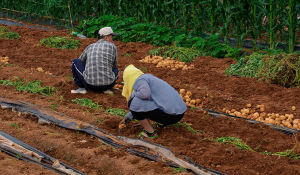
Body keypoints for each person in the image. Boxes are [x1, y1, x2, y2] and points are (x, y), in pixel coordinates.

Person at [120, 64, 187, 139]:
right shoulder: (148, 78)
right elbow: (148, 100)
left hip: (171, 116)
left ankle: (150, 132)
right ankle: (162, 123)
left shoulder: (139, 80)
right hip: (179, 113)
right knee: (142, 101)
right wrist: (129, 115)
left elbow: (144, 95)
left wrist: (133, 94)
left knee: (134, 101)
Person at [71, 27, 119, 94]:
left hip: (90, 85)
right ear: (106, 38)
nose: (112, 39)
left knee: (75, 62)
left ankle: (81, 88)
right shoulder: (113, 46)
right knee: (116, 69)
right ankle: (106, 89)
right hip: (109, 84)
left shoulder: (90, 46)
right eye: (111, 37)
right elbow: (114, 65)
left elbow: (81, 60)